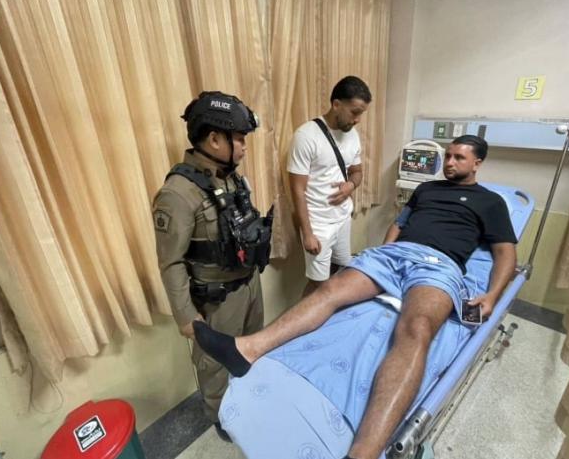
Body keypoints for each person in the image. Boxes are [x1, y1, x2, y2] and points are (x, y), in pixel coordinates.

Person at [192, 134, 517, 459]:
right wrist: (385, 253)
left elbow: (505, 253)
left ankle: (364, 452)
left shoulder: (491, 202)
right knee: (331, 288)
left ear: (477, 163)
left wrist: (492, 296)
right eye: (448, 156)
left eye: (459, 158)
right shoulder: (426, 189)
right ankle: (247, 349)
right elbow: (398, 224)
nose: (449, 162)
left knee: (417, 328)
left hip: (438, 266)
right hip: (394, 256)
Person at [152, 91, 273, 442]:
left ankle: (250, 401)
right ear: (215, 139)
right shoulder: (178, 193)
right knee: (215, 366)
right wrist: (187, 316)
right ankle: (224, 419)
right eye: (240, 138)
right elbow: (170, 261)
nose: (244, 146)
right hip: (217, 301)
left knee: (253, 348)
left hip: (248, 285)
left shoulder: (231, 177)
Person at [287, 76, 371, 296]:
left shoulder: (352, 135)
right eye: (354, 112)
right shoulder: (306, 136)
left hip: (342, 218)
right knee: (319, 285)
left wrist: (350, 186)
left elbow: (357, 172)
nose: (357, 120)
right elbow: (297, 190)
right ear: (336, 104)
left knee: (340, 271)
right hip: (318, 224)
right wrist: (307, 234)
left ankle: (330, 312)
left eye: (361, 114)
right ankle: (307, 317)